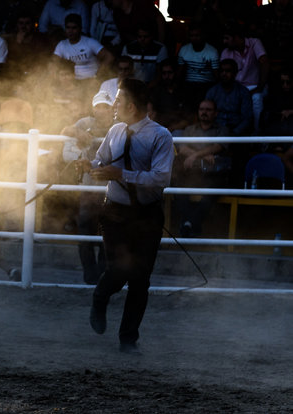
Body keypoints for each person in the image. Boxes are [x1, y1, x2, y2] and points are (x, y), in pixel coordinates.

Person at [85, 78, 174, 354]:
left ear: (131, 106)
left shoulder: (160, 135)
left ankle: (128, 337)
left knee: (140, 278)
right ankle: (100, 296)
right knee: (120, 268)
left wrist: (121, 174)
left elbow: (161, 177)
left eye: (118, 101)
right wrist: (91, 167)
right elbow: (102, 161)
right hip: (115, 210)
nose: (113, 106)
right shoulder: (115, 131)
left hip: (146, 214)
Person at [61, 90, 115, 284]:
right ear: (93, 109)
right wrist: (77, 133)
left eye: (105, 107)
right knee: (85, 232)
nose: (101, 111)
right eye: (98, 106)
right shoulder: (84, 123)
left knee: (107, 235)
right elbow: (64, 135)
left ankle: (101, 275)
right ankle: (90, 276)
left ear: (112, 109)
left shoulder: (119, 126)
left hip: (111, 190)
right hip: (89, 187)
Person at [174, 99, 231, 238]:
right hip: (192, 172)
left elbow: (218, 147)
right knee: (176, 184)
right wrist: (202, 156)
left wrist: (195, 155)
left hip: (213, 173)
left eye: (208, 110)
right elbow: (182, 148)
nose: (204, 112)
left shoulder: (222, 130)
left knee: (210, 193)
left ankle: (189, 223)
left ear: (216, 113)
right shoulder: (189, 129)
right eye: (201, 109)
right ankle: (193, 224)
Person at [220, 21, 270, 133]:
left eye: (227, 38)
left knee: (257, 99)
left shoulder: (255, 43)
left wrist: (260, 87)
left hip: (255, 87)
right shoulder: (226, 52)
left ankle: (257, 134)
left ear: (236, 37)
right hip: (236, 88)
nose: (224, 41)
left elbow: (265, 63)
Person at [53, 13, 114, 97]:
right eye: (68, 28)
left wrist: (97, 76)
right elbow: (53, 63)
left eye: (74, 28)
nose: (71, 31)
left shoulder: (90, 42)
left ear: (80, 28)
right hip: (72, 84)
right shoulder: (62, 45)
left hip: (90, 82)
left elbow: (109, 57)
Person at [176, 23, 219, 111]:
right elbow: (179, 73)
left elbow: (216, 75)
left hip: (206, 85)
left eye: (197, 35)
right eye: (192, 36)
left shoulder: (212, 52)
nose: (194, 38)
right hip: (189, 84)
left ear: (203, 36)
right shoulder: (184, 50)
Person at [205, 59, 253, 136]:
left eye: (228, 71)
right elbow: (206, 115)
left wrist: (235, 132)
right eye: (222, 71)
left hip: (236, 133)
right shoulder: (212, 91)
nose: (224, 74)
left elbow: (247, 118)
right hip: (215, 132)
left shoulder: (243, 92)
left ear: (235, 73)